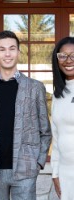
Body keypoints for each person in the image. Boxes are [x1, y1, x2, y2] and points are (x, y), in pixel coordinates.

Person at [0, 30, 52, 200]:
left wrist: (38, 161)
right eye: (2, 49)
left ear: (19, 52)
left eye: (12, 48)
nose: (7, 54)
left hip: (26, 169)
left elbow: (45, 130)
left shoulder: (35, 88)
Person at [51, 36, 74, 200]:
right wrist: (55, 172)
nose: (68, 60)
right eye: (63, 56)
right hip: (66, 173)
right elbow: (56, 137)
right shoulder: (57, 95)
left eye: (73, 55)